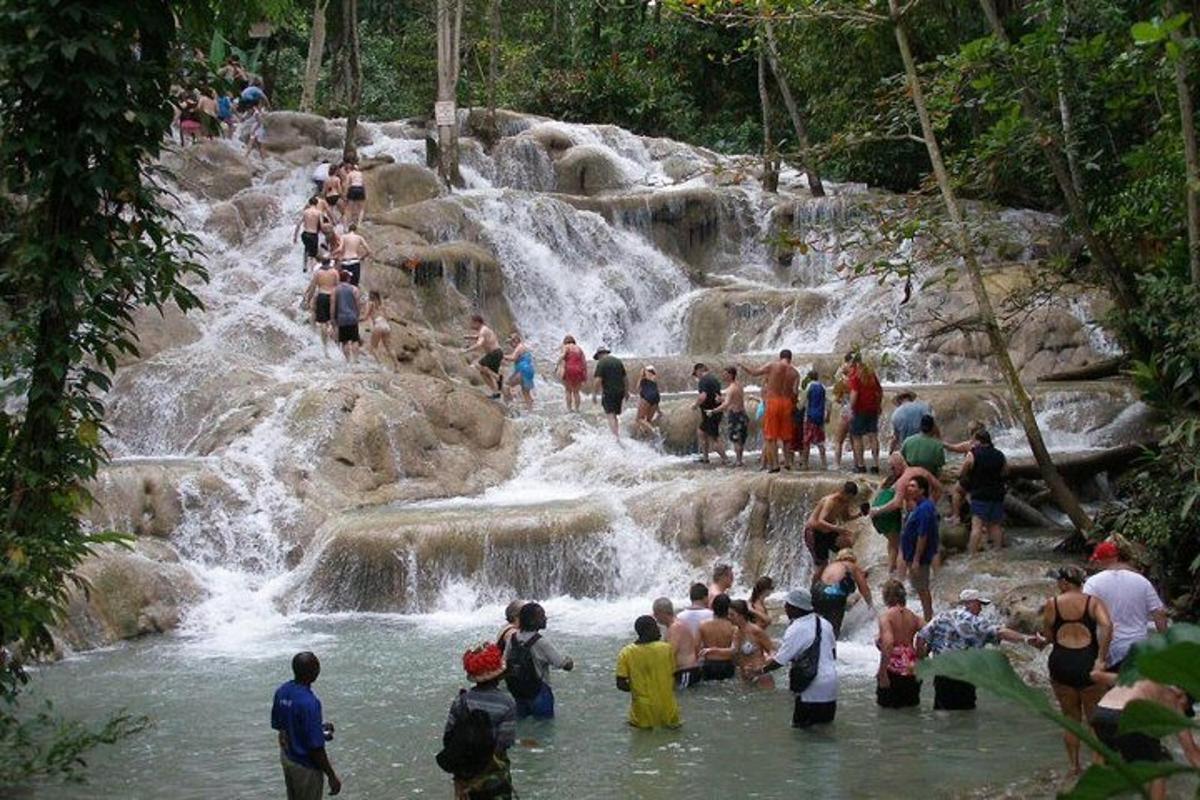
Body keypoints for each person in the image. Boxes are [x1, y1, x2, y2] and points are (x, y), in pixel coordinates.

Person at [1034, 565, 1113, 776]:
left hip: (1061, 662)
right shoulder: (1092, 602)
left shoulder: (1053, 604)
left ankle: (1074, 767)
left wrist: (1040, 642)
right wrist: (1101, 658)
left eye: (1059, 582)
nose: (1057, 586)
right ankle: (1098, 767)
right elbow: (1107, 625)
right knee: (1095, 721)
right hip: (1087, 661)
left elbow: (1048, 637)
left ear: (1065, 583)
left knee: (1070, 720)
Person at [915, 589, 1033, 710]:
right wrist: (1025, 639)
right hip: (965, 676)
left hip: (942, 674)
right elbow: (1000, 632)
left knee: (942, 712)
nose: (981, 609)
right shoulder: (976, 622)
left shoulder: (941, 617)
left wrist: (922, 657)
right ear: (970, 603)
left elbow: (921, 637)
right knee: (964, 714)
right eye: (979, 604)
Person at [1089, 672, 1200, 800]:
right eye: (1186, 708)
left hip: (1100, 713)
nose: (1183, 712)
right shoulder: (1173, 698)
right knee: (1160, 766)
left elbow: (1096, 675)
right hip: (1126, 715)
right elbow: (1191, 752)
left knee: (1102, 758)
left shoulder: (1142, 677)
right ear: (1183, 697)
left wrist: (1098, 665)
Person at [442, 643, 516, 800]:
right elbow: (505, 742)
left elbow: (448, 736)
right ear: (498, 675)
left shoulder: (461, 701)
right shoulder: (506, 702)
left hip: (465, 773)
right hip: (494, 773)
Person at [756, 589, 838, 728]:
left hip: (811, 686)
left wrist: (759, 671)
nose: (785, 608)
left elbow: (780, 661)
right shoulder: (825, 623)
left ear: (795, 608)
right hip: (831, 684)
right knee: (824, 728)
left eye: (787, 605)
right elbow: (833, 653)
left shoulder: (796, 628)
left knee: (803, 731)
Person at [1082, 540, 1168, 672]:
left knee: (1114, 689)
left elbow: (1083, 614)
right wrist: (1165, 643)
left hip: (1110, 649)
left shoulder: (1093, 583)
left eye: (1097, 560)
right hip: (1140, 647)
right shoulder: (1142, 581)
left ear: (1102, 560)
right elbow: (1160, 613)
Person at [271, 652, 342, 799]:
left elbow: (282, 727)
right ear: (313, 671)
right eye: (317, 665)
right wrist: (331, 776)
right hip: (306, 767)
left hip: (288, 758)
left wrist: (318, 728)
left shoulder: (282, 691)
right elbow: (316, 748)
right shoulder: (310, 703)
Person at [867, 453, 942, 575]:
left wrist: (877, 510)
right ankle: (938, 577)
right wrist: (931, 504)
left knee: (903, 549)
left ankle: (900, 579)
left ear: (899, 463)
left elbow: (896, 503)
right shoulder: (921, 471)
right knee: (933, 547)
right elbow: (939, 488)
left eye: (892, 467)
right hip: (928, 512)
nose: (891, 470)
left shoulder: (903, 480)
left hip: (914, 515)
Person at [504, 602, 574, 720]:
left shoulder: (513, 638)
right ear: (532, 621)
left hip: (518, 692)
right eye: (542, 616)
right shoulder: (541, 642)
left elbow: (505, 660)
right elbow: (563, 664)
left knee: (523, 726)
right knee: (545, 728)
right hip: (539, 693)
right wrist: (570, 661)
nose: (546, 618)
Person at [616, 616, 681, 729]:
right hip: (668, 710)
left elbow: (621, 684)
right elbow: (676, 675)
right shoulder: (666, 649)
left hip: (642, 713)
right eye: (656, 627)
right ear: (649, 630)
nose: (659, 629)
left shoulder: (626, 653)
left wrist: (638, 688)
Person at [739, 350, 798, 472]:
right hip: (787, 402)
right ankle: (787, 462)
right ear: (790, 359)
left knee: (771, 437)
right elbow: (795, 393)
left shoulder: (773, 365)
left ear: (780, 357)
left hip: (773, 401)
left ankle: (774, 465)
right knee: (786, 437)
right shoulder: (795, 373)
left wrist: (742, 366)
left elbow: (754, 372)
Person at [897, 475, 938, 621]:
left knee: (922, 589)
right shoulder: (918, 506)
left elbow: (923, 535)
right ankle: (927, 617)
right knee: (920, 588)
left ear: (922, 490)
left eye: (913, 486)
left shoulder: (925, 509)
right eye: (908, 486)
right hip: (911, 555)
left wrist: (916, 559)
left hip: (918, 557)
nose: (908, 488)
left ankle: (928, 619)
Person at [875, 579, 922, 709]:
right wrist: (921, 655)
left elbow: (889, 643)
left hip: (893, 670)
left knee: (888, 714)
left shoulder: (886, 617)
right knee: (911, 712)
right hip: (913, 669)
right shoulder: (914, 617)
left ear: (886, 597)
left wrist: (882, 672)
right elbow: (930, 634)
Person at [960, 430, 1007, 553]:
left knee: (977, 527)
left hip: (979, 494)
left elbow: (964, 470)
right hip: (997, 494)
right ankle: (998, 552)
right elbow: (1005, 471)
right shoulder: (999, 454)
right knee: (995, 525)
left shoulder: (973, 454)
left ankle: (971, 555)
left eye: (974, 440)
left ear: (978, 441)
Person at [803, 481, 867, 570]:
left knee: (846, 545)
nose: (850, 500)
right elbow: (821, 520)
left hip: (828, 531)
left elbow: (846, 517)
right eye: (849, 497)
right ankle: (815, 583)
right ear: (844, 493)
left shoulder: (845, 502)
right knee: (822, 566)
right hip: (814, 532)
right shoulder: (830, 501)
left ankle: (844, 573)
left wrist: (860, 514)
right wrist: (838, 529)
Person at [811, 549, 873, 638]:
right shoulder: (852, 566)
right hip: (833, 597)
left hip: (817, 594)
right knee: (832, 633)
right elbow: (864, 589)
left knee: (818, 627)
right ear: (853, 559)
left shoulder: (831, 566)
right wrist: (870, 606)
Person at [652, 597, 702, 688]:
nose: (655, 617)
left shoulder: (675, 627)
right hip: (686, 671)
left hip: (686, 671)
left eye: (656, 614)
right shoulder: (674, 625)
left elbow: (670, 652)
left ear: (662, 613)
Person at [847, 354, 883, 474]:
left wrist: (850, 409)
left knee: (857, 437)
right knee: (873, 436)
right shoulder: (871, 375)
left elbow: (854, 394)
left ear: (855, 363)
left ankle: (861, 465)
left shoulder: (855, 376)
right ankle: (876, 464)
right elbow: (879, 391)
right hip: (873, 409)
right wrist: (878, 405)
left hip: (859, 410)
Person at [729, 599, 775, 687]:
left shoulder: (756, 631)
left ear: (741, 616)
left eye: (732, 615)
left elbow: (772, 651)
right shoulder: (735, 632)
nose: (729, 617)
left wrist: (762, 666)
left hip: (760, 676)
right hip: (744, 678)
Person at [709, 367, 748, 466]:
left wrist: (713, 411)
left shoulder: (731, 389)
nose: (723, 376)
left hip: (735, 415)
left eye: (725, 374)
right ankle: (740, 460)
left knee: (736, 439)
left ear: (731, 375)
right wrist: (722, 399)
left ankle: (738, 461)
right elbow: (733, 400)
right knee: (741, 439)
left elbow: (726, 405)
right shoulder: (739, 385)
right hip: (743, 414)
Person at [303, 257, 340, 357]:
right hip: (332, 296)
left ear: (322, 262)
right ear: (329, 262)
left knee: (323, 322)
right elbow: (338, 286)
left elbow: (313, 287)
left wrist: (308, 299)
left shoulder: (318, 273)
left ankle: (325, 346)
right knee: (334, 321)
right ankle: (337, 344)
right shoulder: (334, 272)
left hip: (322, 295)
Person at [692, 363, 727, 465]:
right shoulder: (714, 379)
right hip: (714, 411)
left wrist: (695, 405)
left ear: (699, 370)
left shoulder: (703, 380)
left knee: (714, 438)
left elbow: (703, 396)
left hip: (710, 413)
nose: (696, 376)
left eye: (696, 374)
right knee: (701, 432)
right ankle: (705, 457)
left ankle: (726, 459)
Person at [698, 594, 738, 681]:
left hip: (708, 664)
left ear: (713, 607)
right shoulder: (733, 627)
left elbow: (697, 647)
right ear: (728, 609)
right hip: (727, 664)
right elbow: (735, 650)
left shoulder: (703, 625)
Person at [464, 315, 504, 398]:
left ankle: (497, 377)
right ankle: (496, 393)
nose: (471, 325)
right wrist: (469, 337)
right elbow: (479, 337)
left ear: (477, 322)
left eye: (472, 323)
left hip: (494, 353)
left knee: (478, 365)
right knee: (483, 373)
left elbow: (479, 344)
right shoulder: (485, 329)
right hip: (497, 353)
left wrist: (467, 350)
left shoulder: (483, 331)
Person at [592, 347, 628, 439]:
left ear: (600, 354)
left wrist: (594, 394)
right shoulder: (618, 361)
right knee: (614, 414)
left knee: (610, 414)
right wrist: (627, 392)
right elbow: (625, 378)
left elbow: (598, 380)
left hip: (609, 392)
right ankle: (616, 433)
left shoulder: (602, 363)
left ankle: (615, 436)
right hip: (620, 391)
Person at [799, 370, 830, 470]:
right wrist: (828, 415)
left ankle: (805, 464)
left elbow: (801, 404)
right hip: (820, 417)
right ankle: (824, 464)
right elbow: (829, 403)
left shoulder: (808, 387)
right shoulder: (822, 387)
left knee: (806, 441)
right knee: (820, 441)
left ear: (809, 378)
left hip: (810, 417)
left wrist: (797, 406)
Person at [329, 271, 361, 363]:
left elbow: (333, 304)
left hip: (341, 317)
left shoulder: (335, 290)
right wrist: (358, 314)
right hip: (352, 317)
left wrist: (332, 318)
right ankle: (356, 360)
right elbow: (358, 303)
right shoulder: (354, 289)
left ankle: (348, 360)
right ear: (348, 278)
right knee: (355, 339)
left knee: (344, 341)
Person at [502, 332, 535, 411]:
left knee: (506, 385)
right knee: (526, 392)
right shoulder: (524, 347)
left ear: (515, 341)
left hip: (523, 370)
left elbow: (513, 358)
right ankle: (530, 411)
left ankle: (509, 406)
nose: (510, 345)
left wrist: (502, 356)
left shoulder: (519, 347)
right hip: (529, 371)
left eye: (511, 343)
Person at [556, 335, 588, 412]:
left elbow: (562, 355)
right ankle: (577, 409)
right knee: (576, 392)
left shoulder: (566, 347)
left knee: (568, 391)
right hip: (579, 370)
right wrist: (585, 373)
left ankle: (569, 409)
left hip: (569, 369)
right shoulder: (579, 349)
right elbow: (584, 362)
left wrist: (557, 363)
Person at [334, 223, 371, 288]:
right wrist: (362, 257)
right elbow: (369, 251)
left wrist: (332, 253)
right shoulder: (359, 238)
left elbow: (340, 249)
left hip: (345, 262)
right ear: (355, 230)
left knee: (343, 284)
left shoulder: (344, 236)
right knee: (354, 285)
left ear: (349, 229)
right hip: (355, 261)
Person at [363, 291, 394, 365]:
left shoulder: (370, 304)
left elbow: (365, 316)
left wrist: (357, 319)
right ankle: (397, 367)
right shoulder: (382, 305)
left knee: (373, 348)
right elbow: (388, 317)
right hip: (386, 325)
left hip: (378, 325)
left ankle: (381, 365)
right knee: (389, 347)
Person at [294, 197, 324, 272]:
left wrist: (295, 236)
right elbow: (322, 225)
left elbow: (298, 224)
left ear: (309, 203)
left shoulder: (305, 212)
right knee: (313, 254)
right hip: (313, 234)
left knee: (306, 249)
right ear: (316, 204)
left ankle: (304, 266)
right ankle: (312, 269)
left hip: (305, 234)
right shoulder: (318, 213)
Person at [634, 365, 662, 438]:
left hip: (648, 396)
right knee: (648, 421)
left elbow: (637, 388)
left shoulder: (643, 379)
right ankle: (647, 437)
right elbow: (655, 395)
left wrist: (641, 376)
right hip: (656, 397)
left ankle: (654, 430)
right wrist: (659, 411)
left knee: (639, 419)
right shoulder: (654, 380)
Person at [345, 161, 366, 227]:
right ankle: (359, 224)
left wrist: (346, 194)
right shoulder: (360, 173)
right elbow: (363, 184)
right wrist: (364, 192)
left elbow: (347, 184)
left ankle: (349, 223)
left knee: (349, 208)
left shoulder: (350, 174)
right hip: (360, 188)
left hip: (352, 188)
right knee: (361, 208)